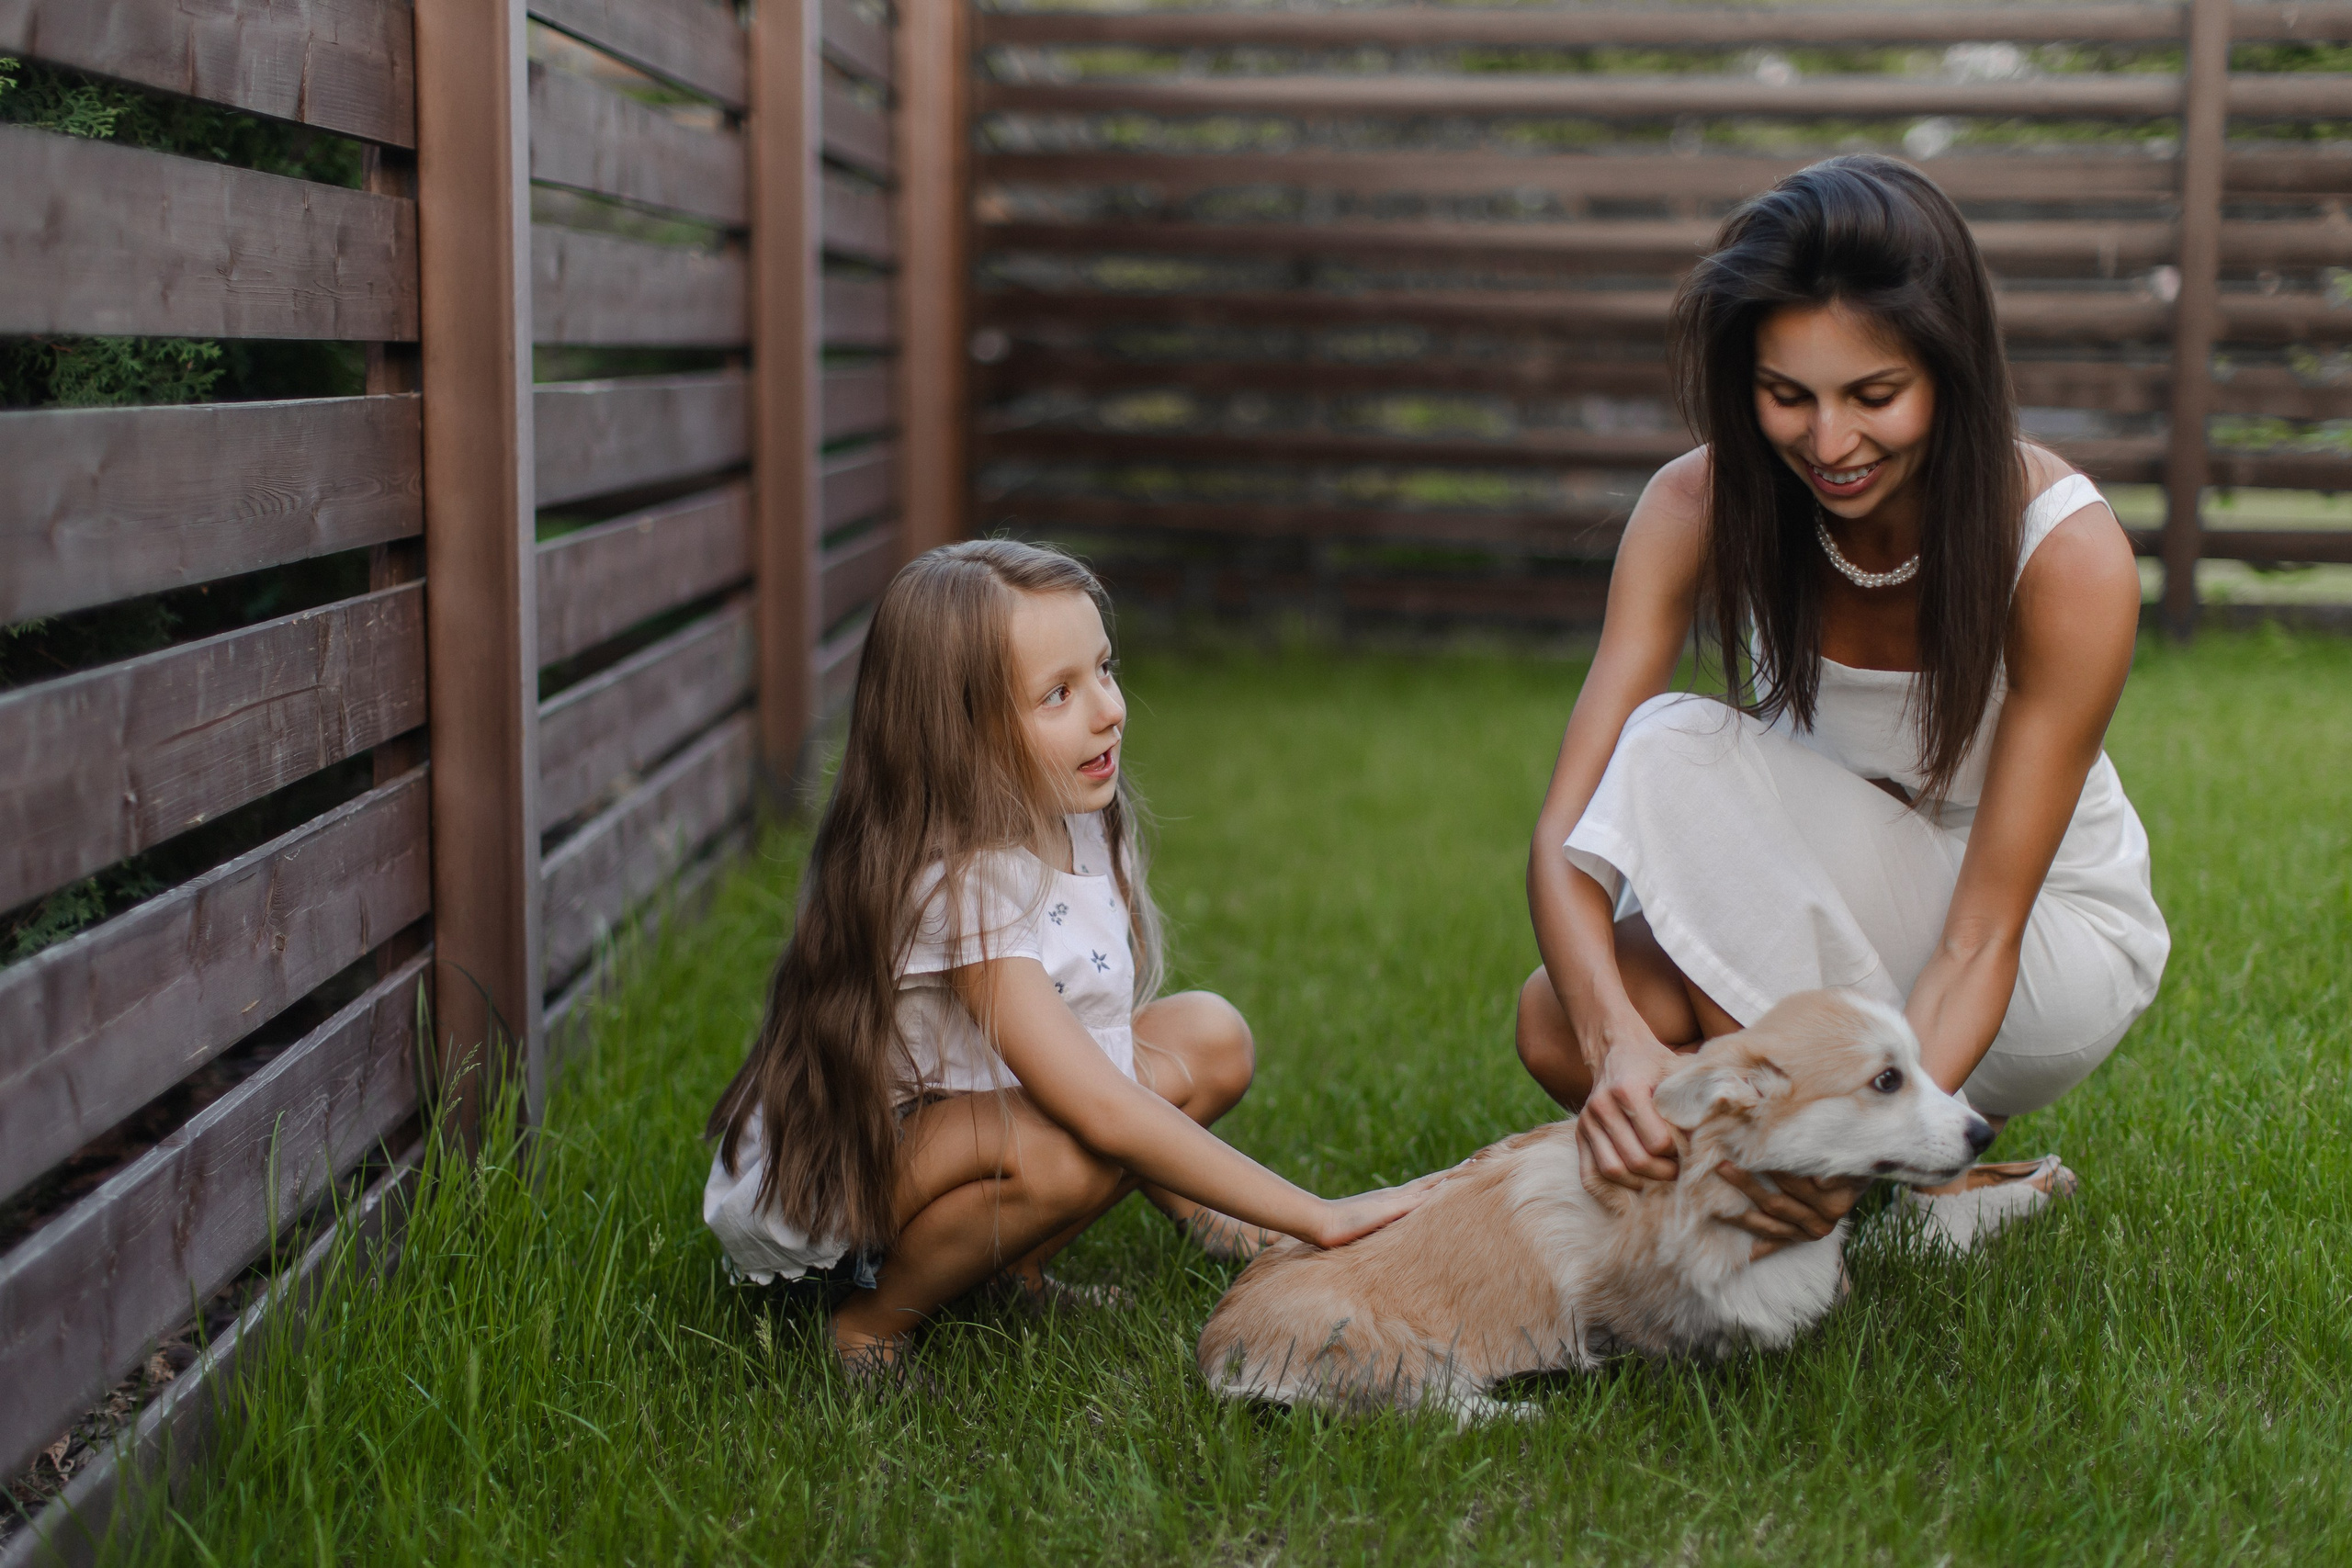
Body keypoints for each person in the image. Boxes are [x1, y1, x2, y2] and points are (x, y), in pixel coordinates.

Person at [1516, 155, 2168, 1253]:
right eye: (1786, 397)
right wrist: (1617, 1044)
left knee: (1673, 741)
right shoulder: (1695, 503)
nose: (1828, 443)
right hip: (1829, 906)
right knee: (1554, 1020)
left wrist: (1876, 1132)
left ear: (1951, 370)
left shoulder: (2062, 552)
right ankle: (1918, 1207)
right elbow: (1560, 839)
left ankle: (1880, 1172)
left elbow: (1980, 938)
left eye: (1873, 396)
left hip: (2034, 952)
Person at [705, 539, 1430, 1381]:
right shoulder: (961, 884)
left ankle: (1010, 1266)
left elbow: (1103, 1058)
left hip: (976, 1125)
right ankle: (869, 1324)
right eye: (1058, 693)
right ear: (961, 735)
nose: (1109, 709)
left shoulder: (1068, 810)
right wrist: (1319, 1216)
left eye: (1104, 669)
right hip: (859, 1179)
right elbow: (1101, 1105)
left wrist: (1218, 1215)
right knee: (1068, 1141)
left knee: (1209, 1038)